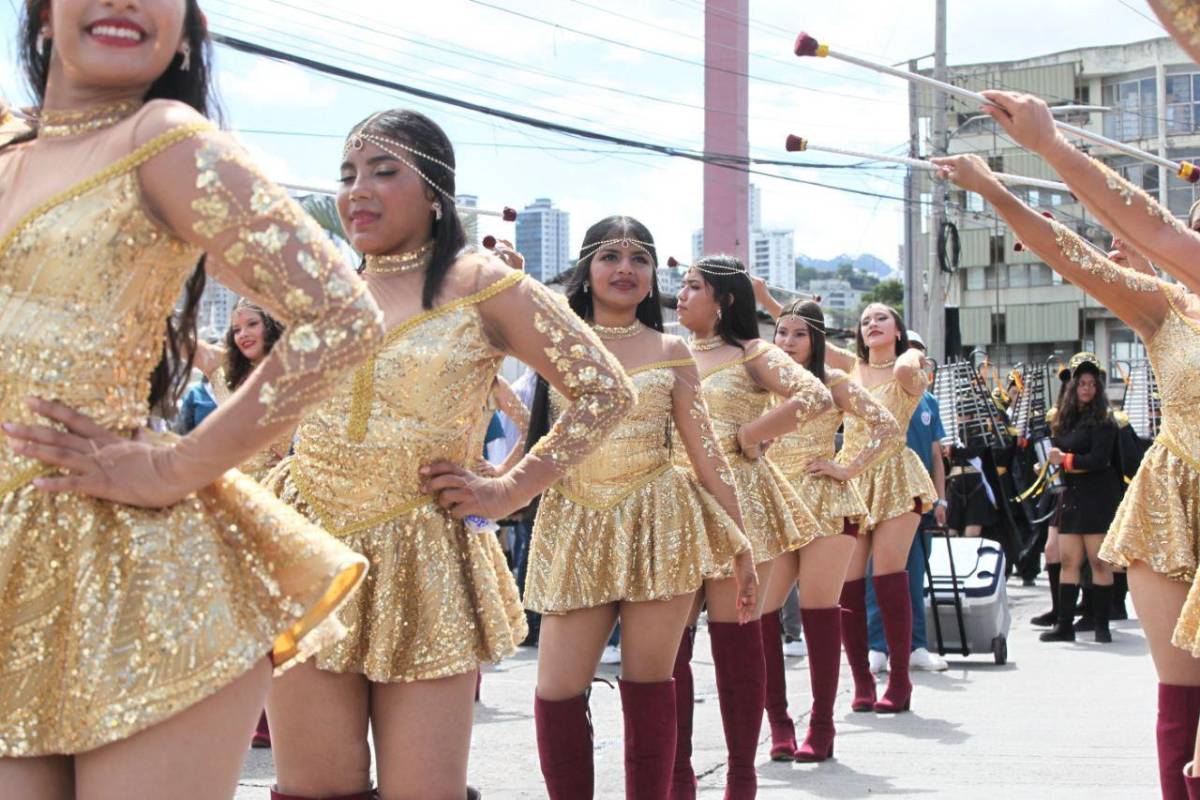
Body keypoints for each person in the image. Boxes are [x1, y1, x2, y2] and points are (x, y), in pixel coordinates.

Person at [0, 1, 384, 795]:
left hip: (136, 571)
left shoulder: (163, 138)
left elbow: (342, 315)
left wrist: (175, 468)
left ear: (184, 29)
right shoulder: (10, 148)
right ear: (40, 16)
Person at [263, 108, 635, 800]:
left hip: (424, 563)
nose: (357, 191)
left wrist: (509, 489)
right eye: (347, 175)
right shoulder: (327, 293)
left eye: (383, 171)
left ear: (435, 192)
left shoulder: (483, 283)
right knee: (311, 787)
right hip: (307, 556)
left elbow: (605, 391)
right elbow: (274, 422)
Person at [934, 138, 1200, 799]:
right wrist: (994, 190)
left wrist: (1047, 141)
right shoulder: (1164, 308)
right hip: (1171, 501)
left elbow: (1147, 225)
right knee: (1179, 703)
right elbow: (1067, 252)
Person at [521, 217, 755, 799]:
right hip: (575, 522)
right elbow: (537, 437)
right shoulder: (556, 341)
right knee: (556, 691)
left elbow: (707, 455)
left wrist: (742, 546)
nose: (625, 268)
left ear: (652, 276)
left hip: (660, 525)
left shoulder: (672, 351)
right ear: (586, 270)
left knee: (651, 686)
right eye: (610, 256)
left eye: (639, 258)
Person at [670, 255, 832, 799]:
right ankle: (678, 775)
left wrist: (750, 435)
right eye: (681, 285)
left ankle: (741, 774)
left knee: (735, 641)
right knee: (669, 648)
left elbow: (814, 396)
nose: (681, 295)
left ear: (725, 300)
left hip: (738, 502)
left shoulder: (753, 352)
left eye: (693, 286)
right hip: (675, 504)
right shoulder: (668, 352)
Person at [767, 299, 902, 761]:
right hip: (774, 504)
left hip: (826, 505)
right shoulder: (760, 380)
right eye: (782, 332)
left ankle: (821, 726)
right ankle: (779, 724)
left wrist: (847, 467)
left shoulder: (833, 381)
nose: (788, 342)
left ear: (817, 339)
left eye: (799, 334)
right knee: (762, 615)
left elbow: (886, 427)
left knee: (818, 610)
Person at [824, 304, 937, 715]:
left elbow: (912, 368)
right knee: (849, 584)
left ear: (898, 330)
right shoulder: (851, 367)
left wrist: (910, 353)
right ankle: (862, 680)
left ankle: (900, 679)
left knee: (889, 575)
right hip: (851, 477)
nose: (872, 323)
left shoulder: (909, 367)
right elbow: (805, 328)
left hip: (895, 474)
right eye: (865, 320)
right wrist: (764, 299)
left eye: (881, 318)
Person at [866, 331, 950, 674]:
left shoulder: (929, 401)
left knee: (913, 576)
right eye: (909, 353)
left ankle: (916, 646)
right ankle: (877, 646)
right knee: (878, 574)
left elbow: (936, 455)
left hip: (918, 498)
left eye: (920, 355)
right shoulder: (881, 391)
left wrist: (941, 498)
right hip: (883, 494)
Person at [1031, 352, 1122, 645]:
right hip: (1070, 495)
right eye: (1082, 383)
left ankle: (1101, 625)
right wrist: (1046, 465)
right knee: (1069, 560)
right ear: (1074, 386)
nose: (1086, 388)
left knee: (1098, 562)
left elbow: (1099, 459)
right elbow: (1057, 451)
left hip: (1097, 497)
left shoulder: (1104, 420)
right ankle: (1064, 625)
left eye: (1092, 384)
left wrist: (1064, 460)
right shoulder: (1064, 419)